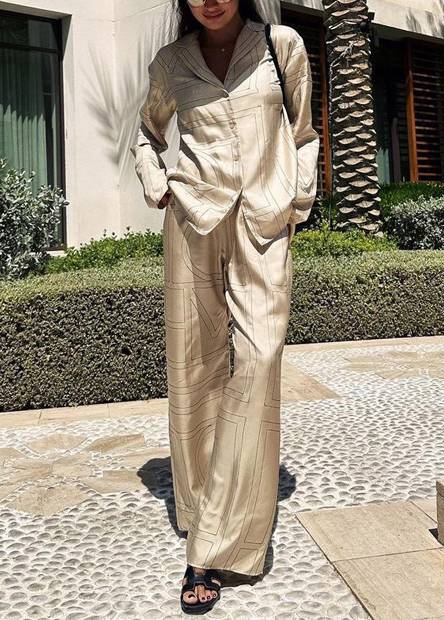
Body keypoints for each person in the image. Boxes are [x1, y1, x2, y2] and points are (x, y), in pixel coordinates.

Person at [131, 0, 320, 613]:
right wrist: (157, 183)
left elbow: (304, 134)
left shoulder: (281, 46)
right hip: (193, 220)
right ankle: (200, 508)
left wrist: (295, 201)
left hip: (263, 224)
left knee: (259, 361)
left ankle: (209, 546)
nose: (209, 0)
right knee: (195, 371)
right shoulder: (171, 62)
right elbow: (147, 134)